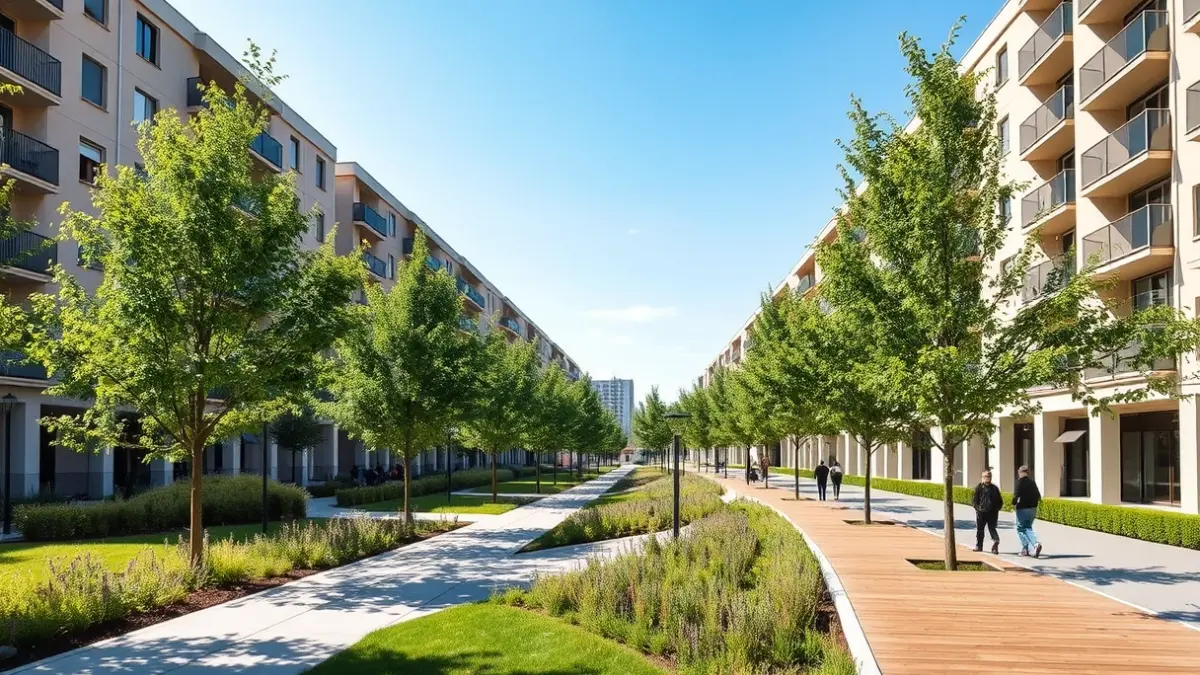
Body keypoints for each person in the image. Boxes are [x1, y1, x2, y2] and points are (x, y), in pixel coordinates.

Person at [1013, 465, 1043, 558]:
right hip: (1033, 508)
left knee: (1021, 528)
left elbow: (1016, 494)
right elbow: (1038, 495)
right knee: (1027, 527)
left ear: (1020, 472)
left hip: (1022, 508)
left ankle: (1035, 544)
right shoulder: (1032, 482)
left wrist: (1013, 503)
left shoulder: (1019, 482)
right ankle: (1025, 550)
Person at [972, 469, 1002, 554]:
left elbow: (1000, 501)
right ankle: (979, 546)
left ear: (991, 478)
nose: (986, 478)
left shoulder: (994, 488)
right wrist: (977, 509)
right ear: (982, 477)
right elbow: (975, 500)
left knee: (992, 528)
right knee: (980, 530)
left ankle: (995, 542)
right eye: (985, 476)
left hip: (992, 513)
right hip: (981, 513)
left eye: (988, 476)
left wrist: (996, 509)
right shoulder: (979, 488)